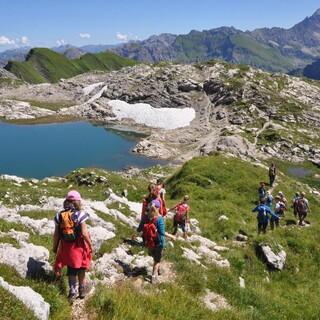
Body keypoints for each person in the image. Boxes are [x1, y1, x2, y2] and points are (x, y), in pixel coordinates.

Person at [53, 190, 93, 304]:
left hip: (67, 248)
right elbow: (84, 233)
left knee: (71, 270)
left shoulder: (59, 216)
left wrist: (55, 247)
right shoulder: (80, 215)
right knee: (81, 269)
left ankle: (72, 291)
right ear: (77, 202)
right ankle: (82, 289)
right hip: (80, 247)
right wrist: (90, 246)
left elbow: (56, 235)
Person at [142, 200, 166, 284]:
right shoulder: (160, 219)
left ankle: (159, 270)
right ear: (158, 208)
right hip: (159, 243)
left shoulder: (148, 217)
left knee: (156, 257)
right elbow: (162, 233)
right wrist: (172, 236)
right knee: (157, 261)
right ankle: (154, 277)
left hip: (150, 242)